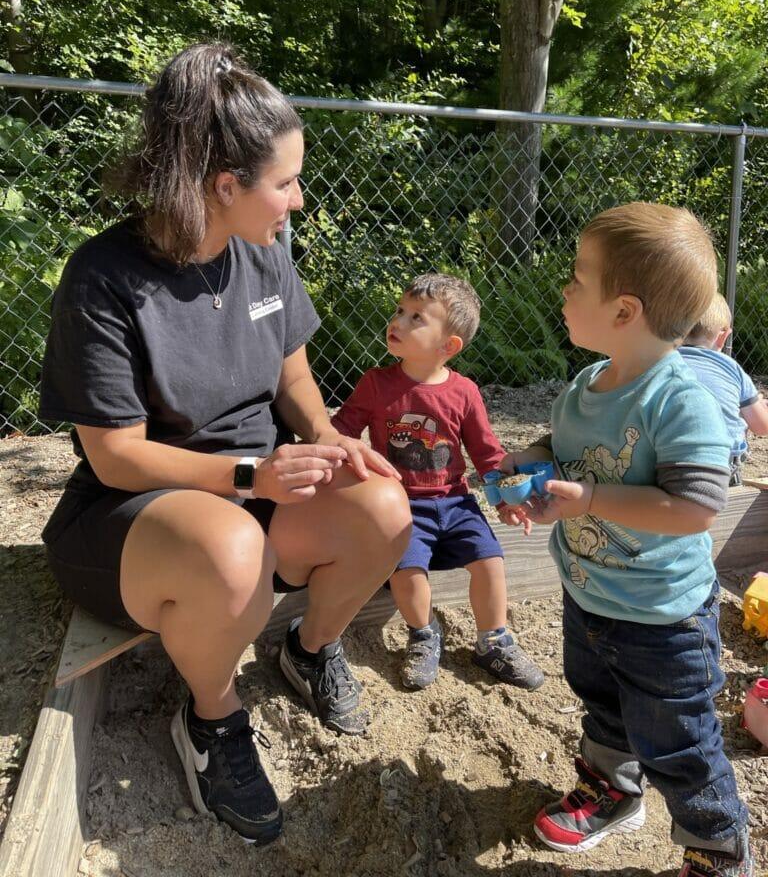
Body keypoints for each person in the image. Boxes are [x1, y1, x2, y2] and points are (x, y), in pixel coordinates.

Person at [38, 43, 411, 847]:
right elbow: (115, 457)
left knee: (383, 505)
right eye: (286, 182)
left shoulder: (264, 255)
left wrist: (329, 440)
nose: (299, 200)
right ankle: (211, 717)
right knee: (235, 549)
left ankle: (308, 651)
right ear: (225, 185)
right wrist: (251, 476)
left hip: (255, 492)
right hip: (138, 516)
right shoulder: (104, 277)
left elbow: (293, 379)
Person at [501, 204, 752, 877]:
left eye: (578, 278)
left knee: (680, 742)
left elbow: (696, 507)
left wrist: (588, 499)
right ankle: (613, 791)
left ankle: (718, 848)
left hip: (662, 620)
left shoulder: (680, 401)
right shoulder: (588, 384)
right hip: (590, 594)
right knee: (603, 705)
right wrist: (529, 466)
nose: (565, 289)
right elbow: (563, 447)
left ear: (623, 311)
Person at [332, 273, 544, 691]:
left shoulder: (464, 392)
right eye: (400, 311)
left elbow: (486, 453)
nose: (398, 321)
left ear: (448, 346)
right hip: (401, 505)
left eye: (416, 317)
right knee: (406, 570)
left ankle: (494, 641)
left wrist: (505, 498)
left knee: (490, 562)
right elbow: (341, 431)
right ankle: (424, 634)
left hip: (456, 502)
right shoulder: (377, 384)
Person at [678, 292, 768, 485]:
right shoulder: (731, 367)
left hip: (669, 460)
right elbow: (762, 427)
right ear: (723, 336)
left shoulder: (660, 362)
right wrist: (758, 406)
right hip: (720, 467)